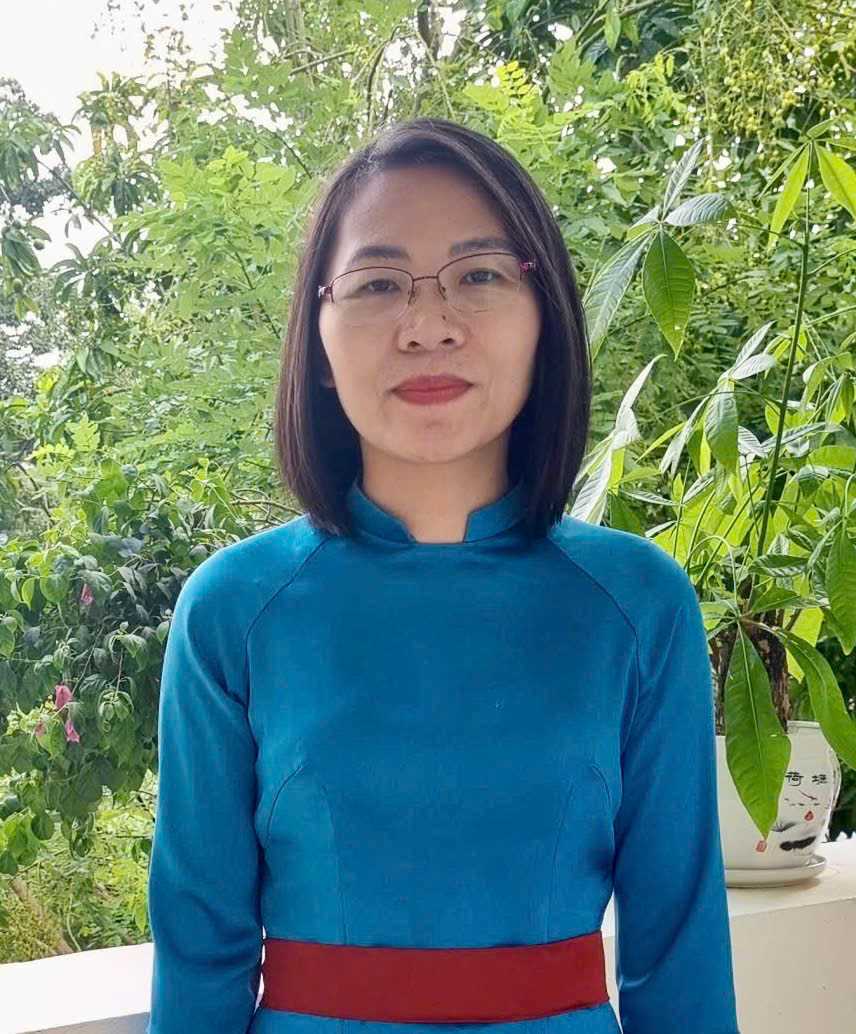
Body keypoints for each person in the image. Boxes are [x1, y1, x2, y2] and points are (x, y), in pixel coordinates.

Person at [146, 116, 740, 1034]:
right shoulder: (233, 611)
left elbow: (681, 959)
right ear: (319, 339)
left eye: (480, 276)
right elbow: (198, 955)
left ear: (544, 319)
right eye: (378, 284)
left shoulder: (638, 606)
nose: (428, 326)